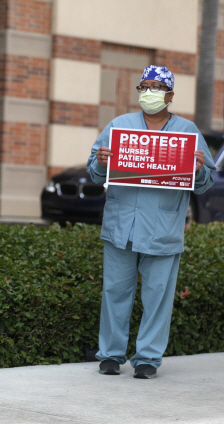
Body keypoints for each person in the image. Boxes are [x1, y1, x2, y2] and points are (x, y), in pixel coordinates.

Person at [87, 66, 215, 379]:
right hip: (122, 227)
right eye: (144, 86)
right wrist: (102, 162)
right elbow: (93, 171)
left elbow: (206, 182)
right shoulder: (119, 126)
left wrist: (198, 168)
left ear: (170, 95)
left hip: (163, 230)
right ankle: (111, 355)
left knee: (157, 297)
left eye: (157, 87)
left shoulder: (187, 131)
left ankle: (147, 359)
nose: (150, 92)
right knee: (115, 292)